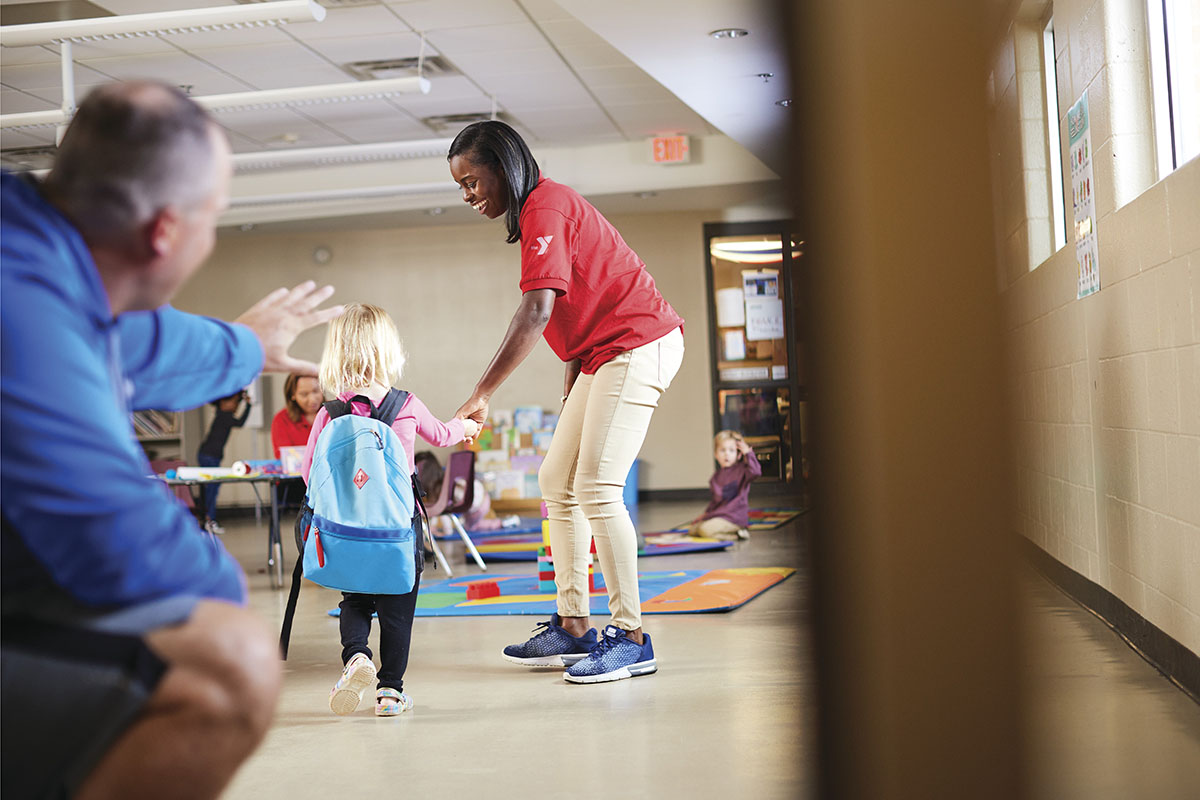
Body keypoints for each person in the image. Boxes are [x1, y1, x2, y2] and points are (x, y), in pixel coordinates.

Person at [0, 80, 343, 800]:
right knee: (228, 662)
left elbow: (140, 338)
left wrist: (246, 346)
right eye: (213, 216)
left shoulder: (33, 248)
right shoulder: (22, 315)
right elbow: (113, 540)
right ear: (165, 231)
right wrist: (225, 594)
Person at [448, 120, 685, 684]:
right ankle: (575, 624)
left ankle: (631, 637)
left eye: (472, 181)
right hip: (602, 355)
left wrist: (481, 394)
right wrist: (574, 384)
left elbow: (537, 310)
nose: (468, 195)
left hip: (638, 342)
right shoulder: (540, 212)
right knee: (557, 482)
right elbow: (580, 305)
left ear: (503, 167)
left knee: (598, 489)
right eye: (459, 186)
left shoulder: (545, 206)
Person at [300, 303, 479, 716]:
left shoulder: (329, 413)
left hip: (346, 530)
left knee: (355, 600)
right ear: (388, 351)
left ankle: (357, 657)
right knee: (398, 608)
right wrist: (466, 426)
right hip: (398, 529)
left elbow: (309, 474)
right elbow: (444, 433)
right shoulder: (406, 405)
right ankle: (390, 693)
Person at [688, 430, 762, 540]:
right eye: (722, 450)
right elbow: (715, 502)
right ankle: (728, 532)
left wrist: (748, 453)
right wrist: (705, 514)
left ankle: (737, 534)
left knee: (705, 530)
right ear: (716, 455)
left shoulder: (742, 471)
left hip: (734, 518)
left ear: (738, 454)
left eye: (731, 450)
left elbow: (756, 472)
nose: (727, 454)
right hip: (719, 516)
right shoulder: (715, 477)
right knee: (693, 530)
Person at [196, 389, 252, 534]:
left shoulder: (222, 414)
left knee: (210, 489)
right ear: (222, 402)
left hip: (208, 455)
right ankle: (210, 521)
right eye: (233, 402)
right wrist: (248, 405)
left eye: (237, 403)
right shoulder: (224, 415)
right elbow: (240, 422)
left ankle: (207, 521)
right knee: (211, 490)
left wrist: (241, 399)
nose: (235, 406)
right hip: (209, 456)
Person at [271, 373, 323, 458]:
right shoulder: (282, 419)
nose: (312, 399)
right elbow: (285, 458)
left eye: (316, 391)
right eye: (304, 394)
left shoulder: (334, 414)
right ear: (293, 395)